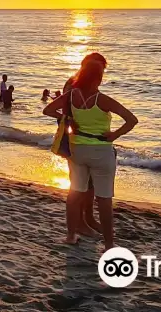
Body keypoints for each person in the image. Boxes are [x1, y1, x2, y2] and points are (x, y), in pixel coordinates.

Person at [42, 53, 138, 249]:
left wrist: (68, 119)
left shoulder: (70, 95)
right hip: (101, 151)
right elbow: (131, 120)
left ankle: (70, 235)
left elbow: (48, 111)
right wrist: (114, 135)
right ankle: (109, 245)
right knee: (104, 198)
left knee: (75, 192)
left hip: (78, 150)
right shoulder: (103, 100)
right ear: (98, 77)